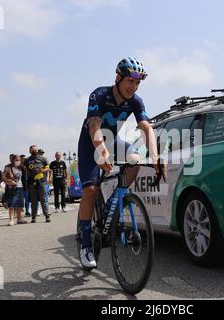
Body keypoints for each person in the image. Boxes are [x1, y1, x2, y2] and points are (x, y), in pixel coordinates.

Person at [77, 57, 164, 269]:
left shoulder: (136, 101)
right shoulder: (99, 94)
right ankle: (86, 244)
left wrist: (155, 156)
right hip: (91, 143)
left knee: (134, 161)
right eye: (130, 81)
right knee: (89, 190)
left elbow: (146, 128)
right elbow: (95, 125)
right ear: (118, 78)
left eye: (137, 83)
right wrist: (102, 151)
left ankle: (115, 200)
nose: (133, 87)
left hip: (114, 141)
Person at [24, 146, 50, 223]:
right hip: (32, 182)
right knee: (33, 201)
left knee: (43, 199)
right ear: (29, 151)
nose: (34, 151)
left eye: (35, 149)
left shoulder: (43, 158)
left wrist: (43, 170)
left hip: (41, 181)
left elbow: (48, 167)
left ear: (37, 150)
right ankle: (34, 217)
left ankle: (47, 216)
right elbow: (25, 169)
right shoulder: (27, 160)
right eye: (32, 150)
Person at [3, 155, 28, 226]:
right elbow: (3, 177)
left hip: (20, 187)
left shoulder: (21, 167)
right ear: (13, 160)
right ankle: (11, 220)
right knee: (12, 203)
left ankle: (19, 219)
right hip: (12, 188)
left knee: (19, 203)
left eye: (19, 160)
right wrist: (9, 181)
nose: (18, 161)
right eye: (16, 160)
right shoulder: (8, 168)